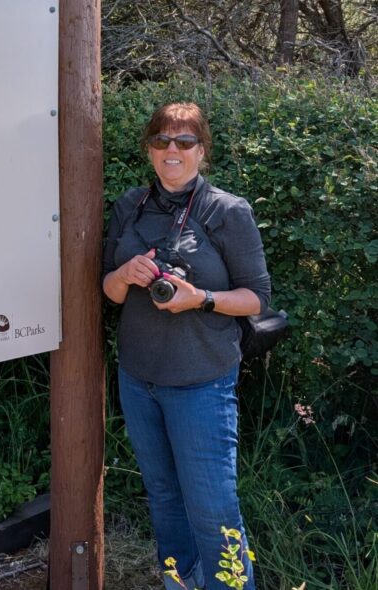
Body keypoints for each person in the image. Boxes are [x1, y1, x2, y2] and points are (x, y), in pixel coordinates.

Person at [102, 102, 270, 590]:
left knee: (213, 509)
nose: (171, 150)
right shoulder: (130, 205)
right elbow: (108, 293)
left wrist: (202, 299)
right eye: (161, 141)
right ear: (149, 149)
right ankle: (180, 583)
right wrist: (122, 274)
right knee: (163, 497)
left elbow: (256, 298)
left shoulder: (227, 211)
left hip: (201, 383)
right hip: (137, 379)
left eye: (184, 142)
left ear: (202, 150)